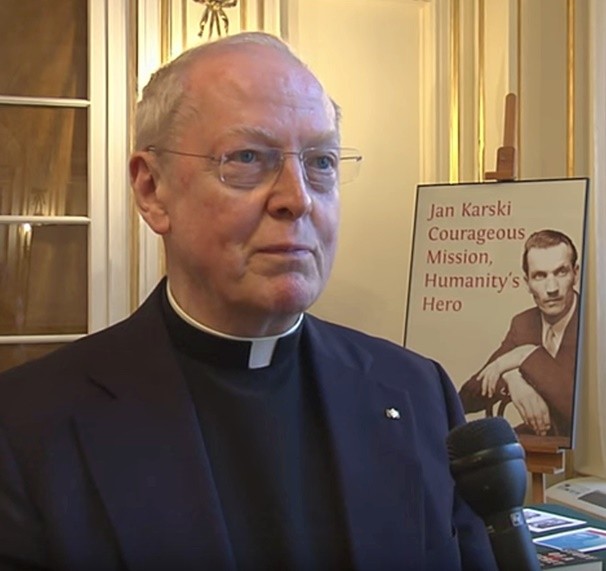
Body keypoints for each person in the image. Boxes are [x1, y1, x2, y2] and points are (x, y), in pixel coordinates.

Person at [0, 32, 497, 570]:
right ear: (151, 190)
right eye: (246, 158)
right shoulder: (26, 428)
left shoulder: (419, 392)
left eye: (322, 162)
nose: (297, 198)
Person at [459, 229, 580, 439]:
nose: (551, 288)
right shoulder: (523, 324)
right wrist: (512, 378)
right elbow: (469, 396)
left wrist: (526, 356)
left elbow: (578, 409)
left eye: (561, 272)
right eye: (540, 276)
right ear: (527, 283)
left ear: (575, 274)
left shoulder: (595, 323)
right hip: (538, 450)